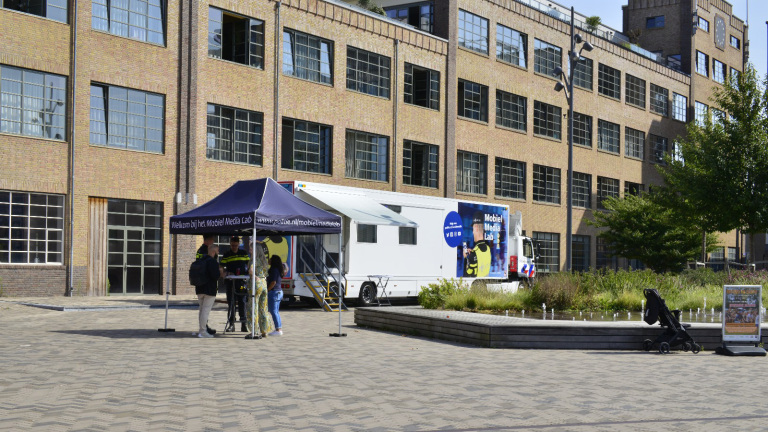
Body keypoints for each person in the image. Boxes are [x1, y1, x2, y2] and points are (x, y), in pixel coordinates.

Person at [244, 242, 275, 339]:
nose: (249, 250)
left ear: (255, 250)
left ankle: (254, 330)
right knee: (263, 308)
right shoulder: (263, 260)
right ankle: (264, 330)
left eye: (250, 249)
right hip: (263, 284)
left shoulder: (254, 260)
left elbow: (251, 271)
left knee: (253, 307)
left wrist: (254, 276)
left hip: (256, 284)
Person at [220, 235, 249, 332]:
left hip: (241, 281)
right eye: (232, 245)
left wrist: (249, 273)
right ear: (230, 244)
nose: (234, 247)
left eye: (236, 245)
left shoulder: (243, 253)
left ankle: (244, 324)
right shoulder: (227, 254)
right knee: (231, 302)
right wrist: (226, 273)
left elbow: (249, 265)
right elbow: (221, 267)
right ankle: (231, 324)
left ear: (239, 244)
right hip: (230, 282)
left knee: (242, 302)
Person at [196, 244, 221, 338]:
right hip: (209, 289)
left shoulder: (201, 260)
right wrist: (220, 272)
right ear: (213, 252)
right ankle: (202, 331)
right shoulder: (212, 262)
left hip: (199, 288)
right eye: (218, 251)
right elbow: (216, 276)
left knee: (202, 310)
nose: (218, 253)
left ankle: (201, 329)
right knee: (205, 310)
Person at [463, 211, 491, 277]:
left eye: (473, 229)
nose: (472, 232)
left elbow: (466, 277)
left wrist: (465, 258)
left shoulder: (473, 254)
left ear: (476, 228)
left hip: (476, 284)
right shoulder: (488, 249)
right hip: (484, 282)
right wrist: (472, 252)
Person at [267, 255, 285, 336]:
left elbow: (273, 282)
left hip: (274, 292)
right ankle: (279, 328)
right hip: (279, 291)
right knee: (276, 311)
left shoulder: (274, 270)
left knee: (273, 311)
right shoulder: (278, 269)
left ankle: (278, 329)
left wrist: (268, 290)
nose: (269, 260)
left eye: (270, 259)